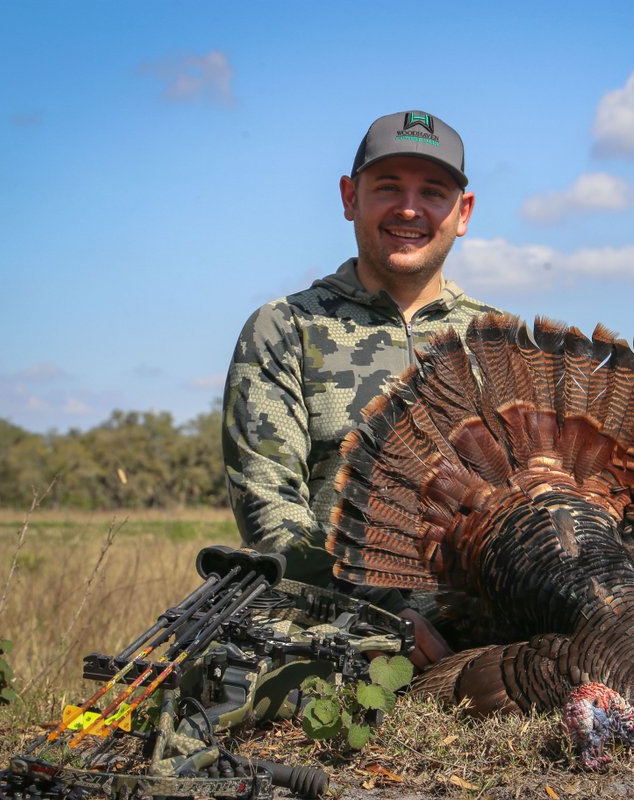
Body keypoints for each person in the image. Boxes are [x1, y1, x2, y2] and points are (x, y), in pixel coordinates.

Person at [222, 110, 500, 669]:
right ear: (350, 197)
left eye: (433, 192)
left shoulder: (501, 342)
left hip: (484, 641)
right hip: (331, 632)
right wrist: (380, 613)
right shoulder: (286, 327)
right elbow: (269, 506)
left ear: (462, 212)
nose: (408, 208)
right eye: (388, 187)